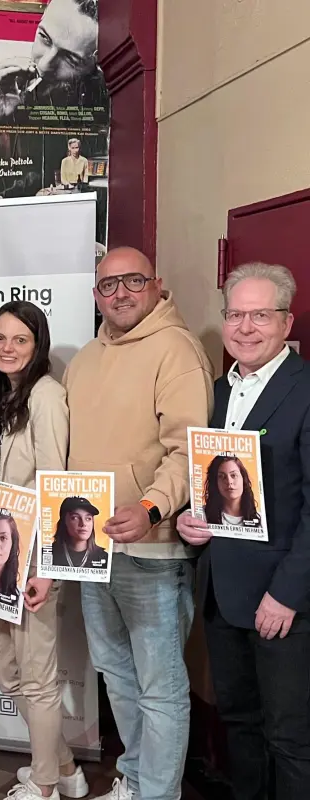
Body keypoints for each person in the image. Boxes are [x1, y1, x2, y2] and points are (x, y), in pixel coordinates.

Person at [60, 247, 213, 800]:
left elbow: (189, 451)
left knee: (160, 688)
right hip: (90, 548)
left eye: (132, 281)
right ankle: (138, 777)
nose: (120, 293)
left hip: (154, 550)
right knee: (115, 674)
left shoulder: (177, 350)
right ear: (96, 294)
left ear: (156, 284)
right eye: (108, 285)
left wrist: (150, 508)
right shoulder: (84, 359)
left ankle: (158, 793)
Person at [177, 263, 310, 800]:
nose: (245, 327)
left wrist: (286, 593)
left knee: (291, 738)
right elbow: (209, 485)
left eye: (261, 314)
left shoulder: (304, 391)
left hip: (284, 602)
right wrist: (191, 520)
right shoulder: (213, 393)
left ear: (286, 322)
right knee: (239, 724)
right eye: (235, 314)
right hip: (221, 594)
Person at [0, 301, 89, 800]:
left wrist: (50, 567)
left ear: (38, 346)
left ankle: (46, 785)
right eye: (0, 338)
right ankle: (66, 767)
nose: (8, 348)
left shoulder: (46, 396)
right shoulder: (3, 398)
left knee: (38, 677)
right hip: (0, 561)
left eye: (20, 340)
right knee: (1, 667)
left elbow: (56, 482)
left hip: (32, 561)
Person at [0, 0, 105, 128]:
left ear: (98, 64)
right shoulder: (11, 91)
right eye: (44, 38)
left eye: (70, 59)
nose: (44, 65)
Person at [202, 455, 262, 528]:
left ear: (243, 479)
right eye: (222, 476)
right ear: (215, 482)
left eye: (233, 475)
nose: (229, 481)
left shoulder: (261, 520)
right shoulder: (201, 514)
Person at [51, 496, 108, 569]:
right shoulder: (48, 554)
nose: (83, 524)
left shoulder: (104, 557)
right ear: (64, 521)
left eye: (88, 518)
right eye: (75, 518)